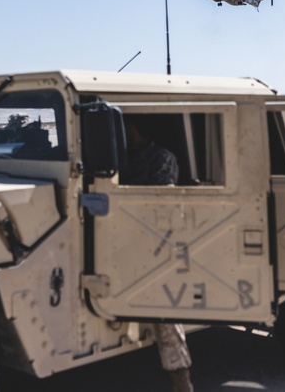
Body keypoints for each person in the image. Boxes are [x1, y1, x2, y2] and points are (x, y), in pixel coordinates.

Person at [123, 119, 194, 392]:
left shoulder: (162, 158)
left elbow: (162, 206)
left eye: (129, 127)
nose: (126, 132)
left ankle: (181, 380)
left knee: (164, 314)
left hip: (157, 246)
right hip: (125, 243)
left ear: (136, 129)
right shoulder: (127, 158)